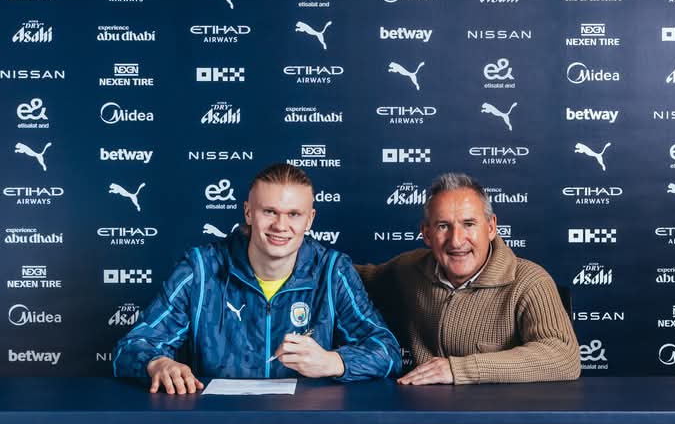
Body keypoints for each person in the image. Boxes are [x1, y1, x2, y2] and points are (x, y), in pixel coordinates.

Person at [113, 163, 401, 393]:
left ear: (310, 219)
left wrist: (333, 362)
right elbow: (131, 347)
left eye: (294, 214)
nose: (281, 226)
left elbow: (387, 352)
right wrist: (157, 363)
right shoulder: (201, 269)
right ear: (249, 212)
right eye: (269, 212)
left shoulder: (332, 270)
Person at [357, 173, 580, 385]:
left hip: (502, 410)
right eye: (443, 226)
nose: (456, 241)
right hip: (422, 407)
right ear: (426, 234)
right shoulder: (410, 269)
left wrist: (458, 369)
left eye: (469, 224)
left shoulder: (529, 281)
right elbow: (349, 276)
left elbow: (563, 357)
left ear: (491, 228)